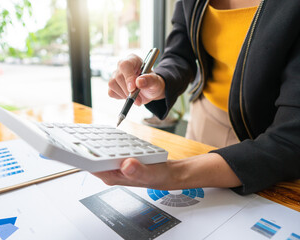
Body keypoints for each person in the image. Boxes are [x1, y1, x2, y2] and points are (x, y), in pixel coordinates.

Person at [93, 0, 300, 195]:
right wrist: (160, 81)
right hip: (205, 117)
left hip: (269, 137)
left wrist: (174, 173)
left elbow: (289, 139)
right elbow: (180, 53)